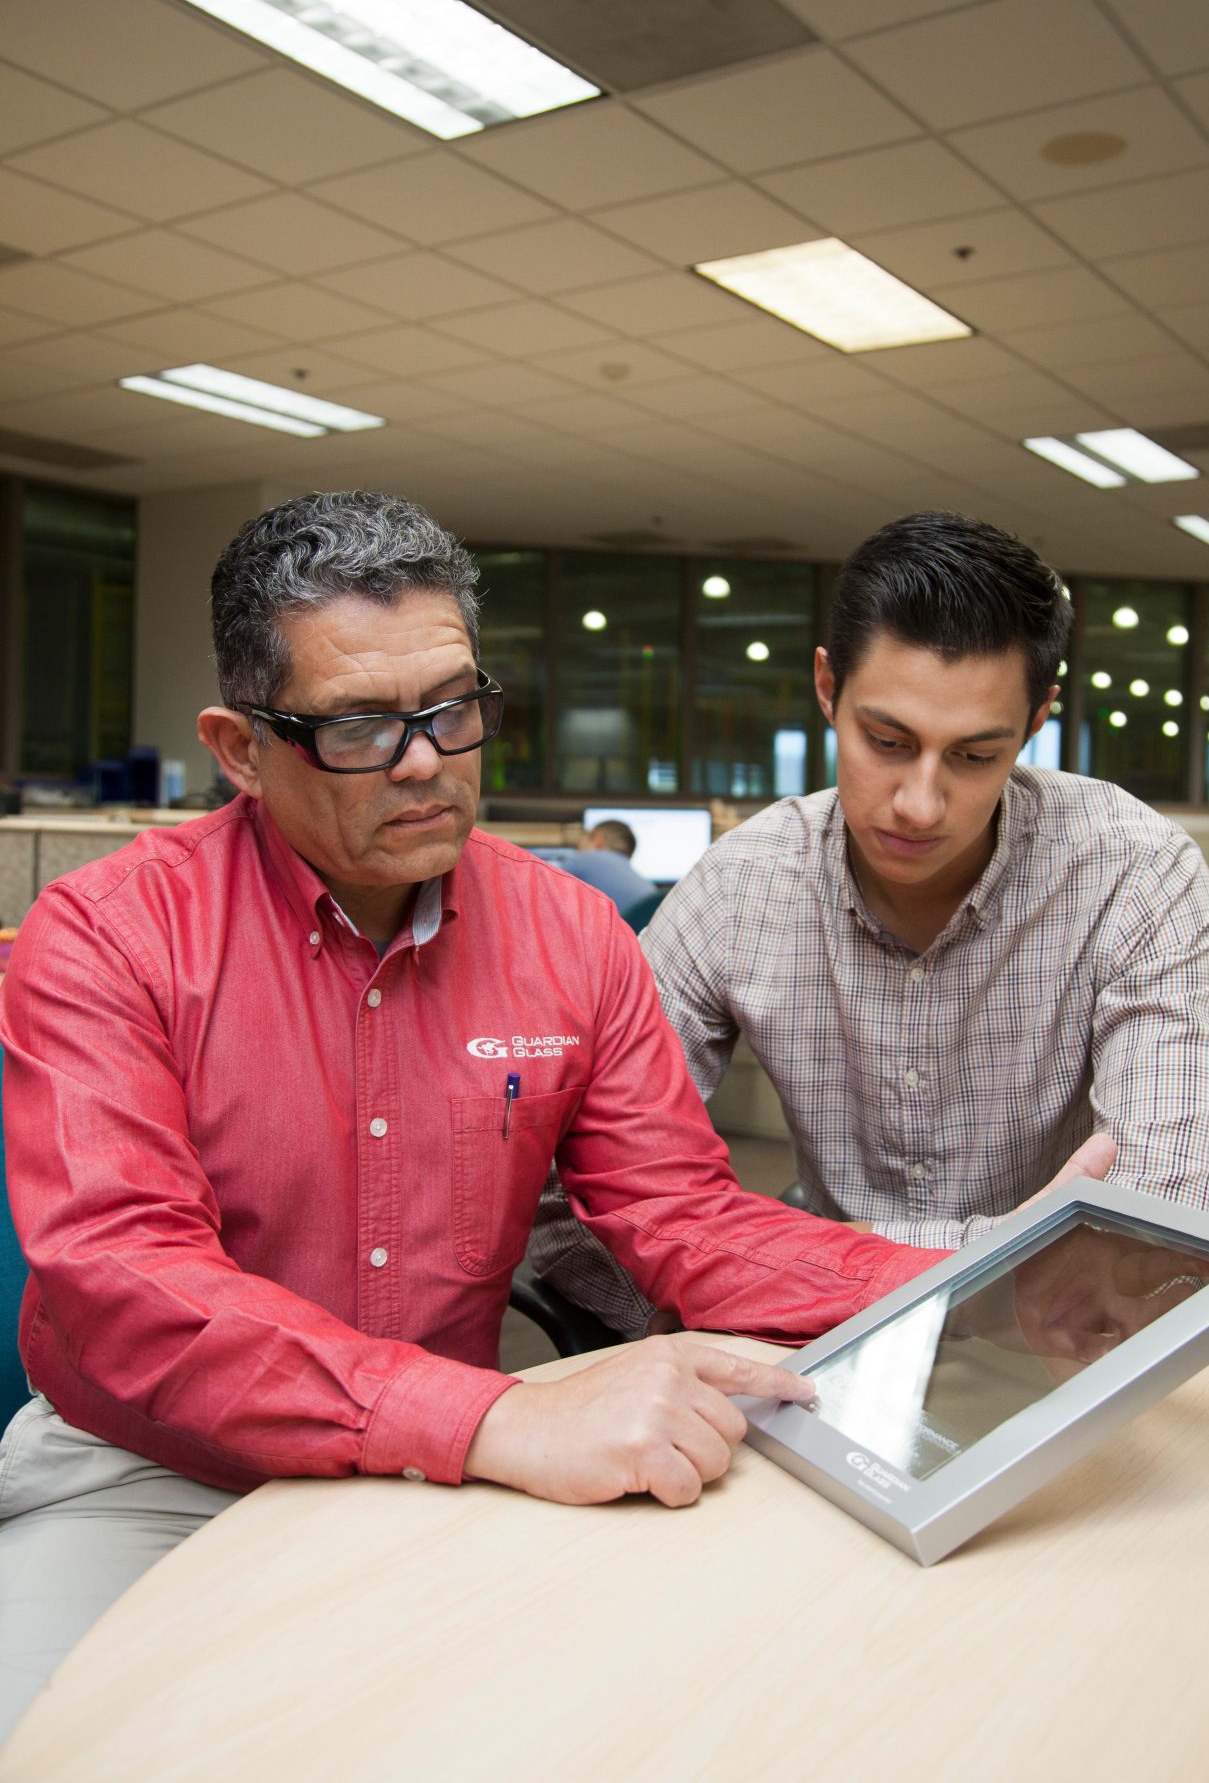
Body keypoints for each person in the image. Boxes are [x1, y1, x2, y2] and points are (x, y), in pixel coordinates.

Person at [0, 491, 1113, 1736]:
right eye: (361, 727)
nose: (424, 760)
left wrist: (975, 1277)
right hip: (151, 1472)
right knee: (51, 1733)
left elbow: (680, 1217)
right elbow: (132, 1284)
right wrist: (493, 1414)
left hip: (445, 1475)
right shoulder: (106, 936)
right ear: (241, 746)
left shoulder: (570, 935)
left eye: (451, 708)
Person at [529, 511, 1209, 1336]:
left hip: (1053, 1356)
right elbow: (572, 1208)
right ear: (829, 688)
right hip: (814, 1347)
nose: (919, 803)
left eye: (976, 757)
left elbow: (1159, 1222)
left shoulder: (1134, 870)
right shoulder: (742, 888)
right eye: (886, 740)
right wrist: (924, 1272)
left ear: (1039, 718)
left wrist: (786, 1257)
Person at [535, 818, 660, 916]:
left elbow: (537, 882)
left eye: (582, 842)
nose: (579, 848)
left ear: (598, 839)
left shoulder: (588, 858)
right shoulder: (645, 883)